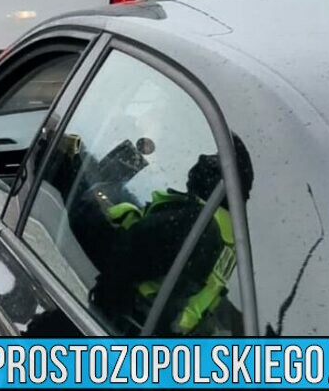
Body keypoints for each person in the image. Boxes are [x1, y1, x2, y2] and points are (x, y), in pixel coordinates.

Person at [73, 137, 254, 335]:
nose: (203, 158)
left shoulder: (196, 225)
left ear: (225, 179)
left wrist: (76, 194)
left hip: (111, 325)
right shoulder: (228, 234)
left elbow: (120, 253)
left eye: (215, 158)